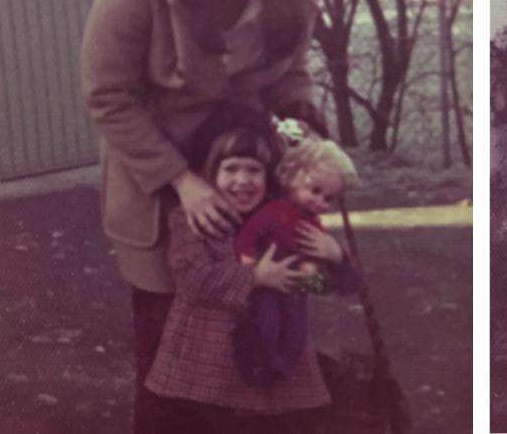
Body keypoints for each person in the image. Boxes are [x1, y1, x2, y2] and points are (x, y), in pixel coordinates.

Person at [81, 0, 327, 434]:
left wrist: (304, 143)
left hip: (248, 184)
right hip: (160, 189)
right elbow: (106, 94)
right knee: (173, 364)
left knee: (249, 348)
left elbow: (290, 73)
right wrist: (184, 182)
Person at [145, 127, 357, 433]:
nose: (242, 180)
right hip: (205, 358)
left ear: (269, 177)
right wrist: (255, 277)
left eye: (254, 171)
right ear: (211, 172)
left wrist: (335, 258)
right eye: (230, 169)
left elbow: (314, 285)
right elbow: (192, 277)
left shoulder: (285, 222)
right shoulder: (191, 219)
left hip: (275, 356)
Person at [232, 133, 361, 387]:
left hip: (298, 284)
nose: (319, 202)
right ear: (293, 179)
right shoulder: (274, 212)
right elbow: (248, 236)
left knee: (296, 329)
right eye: (315, 191)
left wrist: (323, 262)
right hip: (268, 277)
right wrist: (249, 265)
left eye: (327, 199)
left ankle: (286, 368)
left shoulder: (314, 225)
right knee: (267, 320)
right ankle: (267, 361)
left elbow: (342, 281)